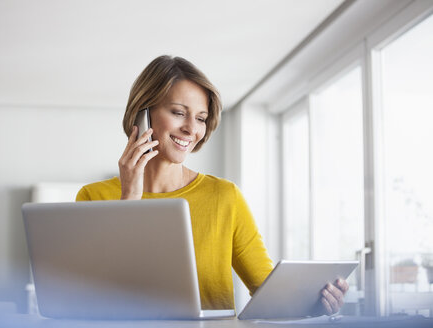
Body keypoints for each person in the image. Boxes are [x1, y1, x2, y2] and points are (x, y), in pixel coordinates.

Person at [76, 55, 349, 313]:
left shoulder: (224, 197)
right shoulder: (93, 197)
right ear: (142, 114)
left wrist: (316, 303)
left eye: (201, 118)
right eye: (178, 112)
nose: (192, 129)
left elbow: (269, 293)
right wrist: (130, 199)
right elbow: (88, 300)